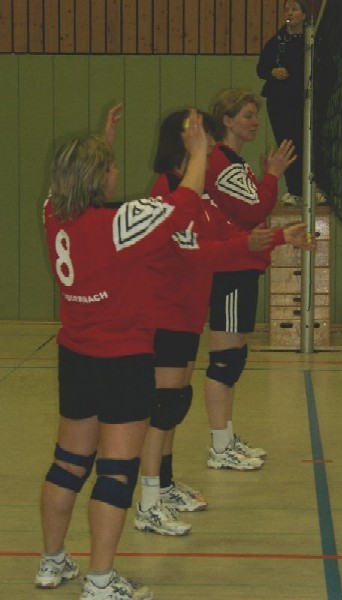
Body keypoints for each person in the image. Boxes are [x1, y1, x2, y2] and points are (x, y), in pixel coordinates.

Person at [35, 104, 208, 599]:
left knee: (69, 462)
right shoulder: (124, 222)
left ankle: (52, 562)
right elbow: (185, 204)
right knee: (116, 470)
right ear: (101, 176)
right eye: (110, 166)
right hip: (124, 359)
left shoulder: (52, 213)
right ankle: (100, 580)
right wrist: (198, 152)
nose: (116, 172)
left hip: (76, 357)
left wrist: (100, 143)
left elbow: (77, 184)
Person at [134, 109, 315, 536]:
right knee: (162, 409)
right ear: (183, 140)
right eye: (202, 134)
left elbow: (222, 240)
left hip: (187, 315)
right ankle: (148, 503)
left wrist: (278, 236)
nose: (212, 143)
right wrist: (252, 242)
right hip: (166, 314)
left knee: (174, 405)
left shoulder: (199, 197)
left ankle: (164, 485)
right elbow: (199, 253)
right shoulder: (167, 192)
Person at [204, 88, 302, 470]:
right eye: (247, 115)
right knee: (224, 360)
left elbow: (252, 209)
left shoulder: (235, 164)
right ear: (227, 120)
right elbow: (255, 208)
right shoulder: (222, 162)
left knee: (234, 357)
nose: (255, 122)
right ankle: (219, 447)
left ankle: (226, 439)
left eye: (255, 115)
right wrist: (274, 174)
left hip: (242, 265)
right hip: (230, 268)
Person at [256, 0, 308, 206]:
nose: (289, 13)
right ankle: (295, 190)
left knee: (307, 143)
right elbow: (261, 69)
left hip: (305, 101)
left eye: (294, 9)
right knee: (287, 144)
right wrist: (272, 72)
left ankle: (312, 188)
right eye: (287, 9)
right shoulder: (277, 41)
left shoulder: (313, 41)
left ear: (304, 15)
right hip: (280, 102)